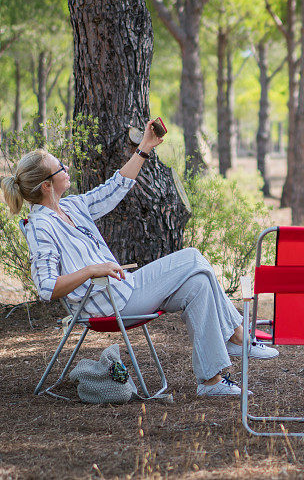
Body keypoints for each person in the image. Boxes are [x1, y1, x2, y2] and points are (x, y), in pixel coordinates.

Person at [2, 119, 277, 397]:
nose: (67, 167)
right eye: (61, 167)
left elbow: (114, 188)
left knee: (199, 286)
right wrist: (91, 270)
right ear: (47, 185)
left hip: (124, 290)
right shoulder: (40, 226)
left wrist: (144, 147)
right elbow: (47, 287)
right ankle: (239, 336)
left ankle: (211, 381)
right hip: (107, 304)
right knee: (193, 257)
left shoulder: (71, 206)